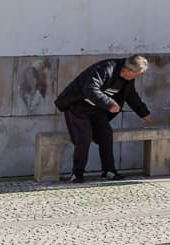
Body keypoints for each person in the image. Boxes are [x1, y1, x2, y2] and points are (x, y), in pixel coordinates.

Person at [53, 54, 154, 182]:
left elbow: (131, 95)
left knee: (106, 135)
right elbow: (90, 88)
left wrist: (143, 112)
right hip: (77, 106)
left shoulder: (128, 79)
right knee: (84, 138)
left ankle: (109, 171)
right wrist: (109, 103)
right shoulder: (105, 68)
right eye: (139, 73)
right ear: (127, 71)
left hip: (97, 108)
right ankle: (77, 173)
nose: (139, 76)